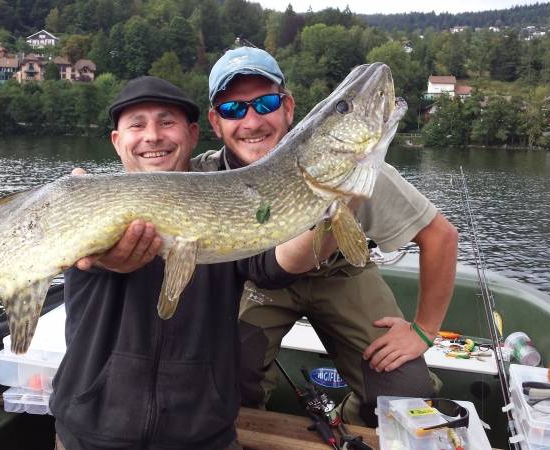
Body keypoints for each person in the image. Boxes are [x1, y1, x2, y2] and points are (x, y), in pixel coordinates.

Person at [49, 76, 339, 450]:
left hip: (204, 437)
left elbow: (279, 265)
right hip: (90, 434)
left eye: (166, 122)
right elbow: (86, 258)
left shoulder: (231, 204)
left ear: (192, 133)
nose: (152, 135)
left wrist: (336, 200)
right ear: (117, 141)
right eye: (136, 124)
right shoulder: (86, 204)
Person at [190, 46, 459, 427]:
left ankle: (348, 419)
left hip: (339, 273)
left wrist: (423, 330)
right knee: (226, 374)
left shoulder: (359, 169)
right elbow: (146, 181)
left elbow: (441, 237)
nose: (251, 121)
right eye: (234, 109)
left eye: (264, 103)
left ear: (287, 108)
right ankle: (252, 428)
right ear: (216, 124)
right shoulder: (206, 175)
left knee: (406, 389)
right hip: (259, 285)